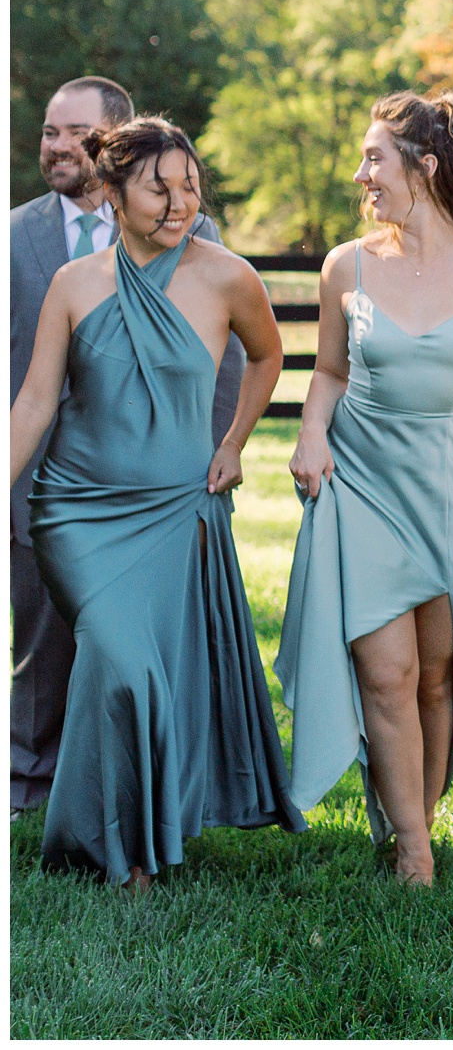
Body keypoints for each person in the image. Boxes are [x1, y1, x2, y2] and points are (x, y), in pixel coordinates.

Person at [275, 91, 453, 886]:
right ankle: (413, 847)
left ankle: (419, 814)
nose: (362, 172)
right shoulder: (348, 263)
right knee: (386, 670)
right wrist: (308, 434)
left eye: (376, 157)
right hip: (361, 478)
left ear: (425, 166)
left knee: (438, 671)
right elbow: (329, 372)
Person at [8, 117, 299, 885]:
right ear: (111, 194)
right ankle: (117, 848)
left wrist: (233, 441)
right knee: (121, 657)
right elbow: (36, 403)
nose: (179, 203)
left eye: (189, 184)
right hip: (77, 510)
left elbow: (270, 354)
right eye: (158, 187)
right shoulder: (74, 285)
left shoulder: (228, 275)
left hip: (178, 508)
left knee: (141, 669)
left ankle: (125, 840)